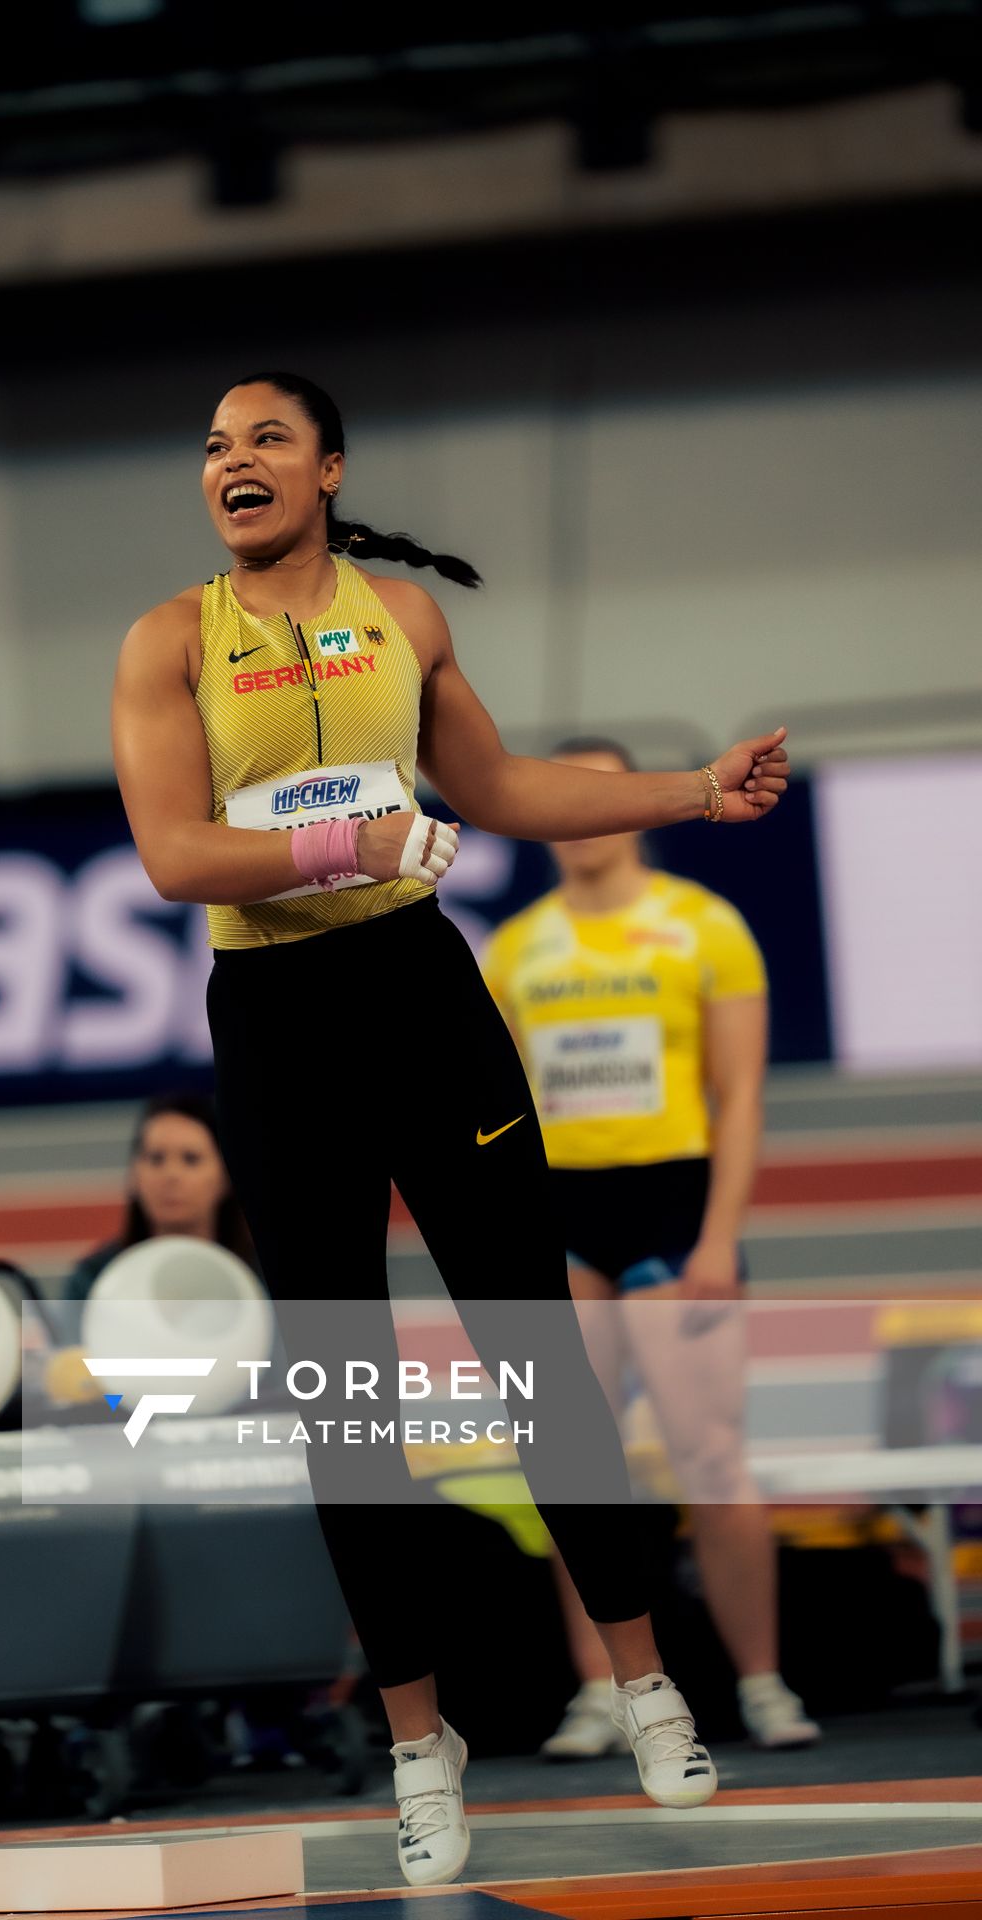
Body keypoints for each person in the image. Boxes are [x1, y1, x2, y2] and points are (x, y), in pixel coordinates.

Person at [111, 370, 791, 1885]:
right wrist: (348, 833)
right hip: (281, 1018)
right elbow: (174, 852)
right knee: (344, 1389)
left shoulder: (402, 621)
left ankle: (645, 1682)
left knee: (531, 1342)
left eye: (266, 436)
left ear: (330, 467)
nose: (235, 460)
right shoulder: (169, 642)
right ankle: (423, 1748)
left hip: (423, 993)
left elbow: (492, 785)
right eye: (216, 446)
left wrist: (694, 791)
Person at [482, 737, 820, 1757]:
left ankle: (759, 1681)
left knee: (708, 1454)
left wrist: (718, 1237)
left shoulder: (702, 929)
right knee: (570, 1460)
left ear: (633, 807)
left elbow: (742, 1092)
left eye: (601, 793)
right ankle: (601, 1689)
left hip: (675, 1215)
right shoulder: (513, 951)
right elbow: (495, 1116)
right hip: (562, 1218)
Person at [63, 1092, 257, 1302]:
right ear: (134, 1175)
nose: (171, 1175)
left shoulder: (262, 1276)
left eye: (191, 1159)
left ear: (226, 1178)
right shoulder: (94, 1279)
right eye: (156, 1159)